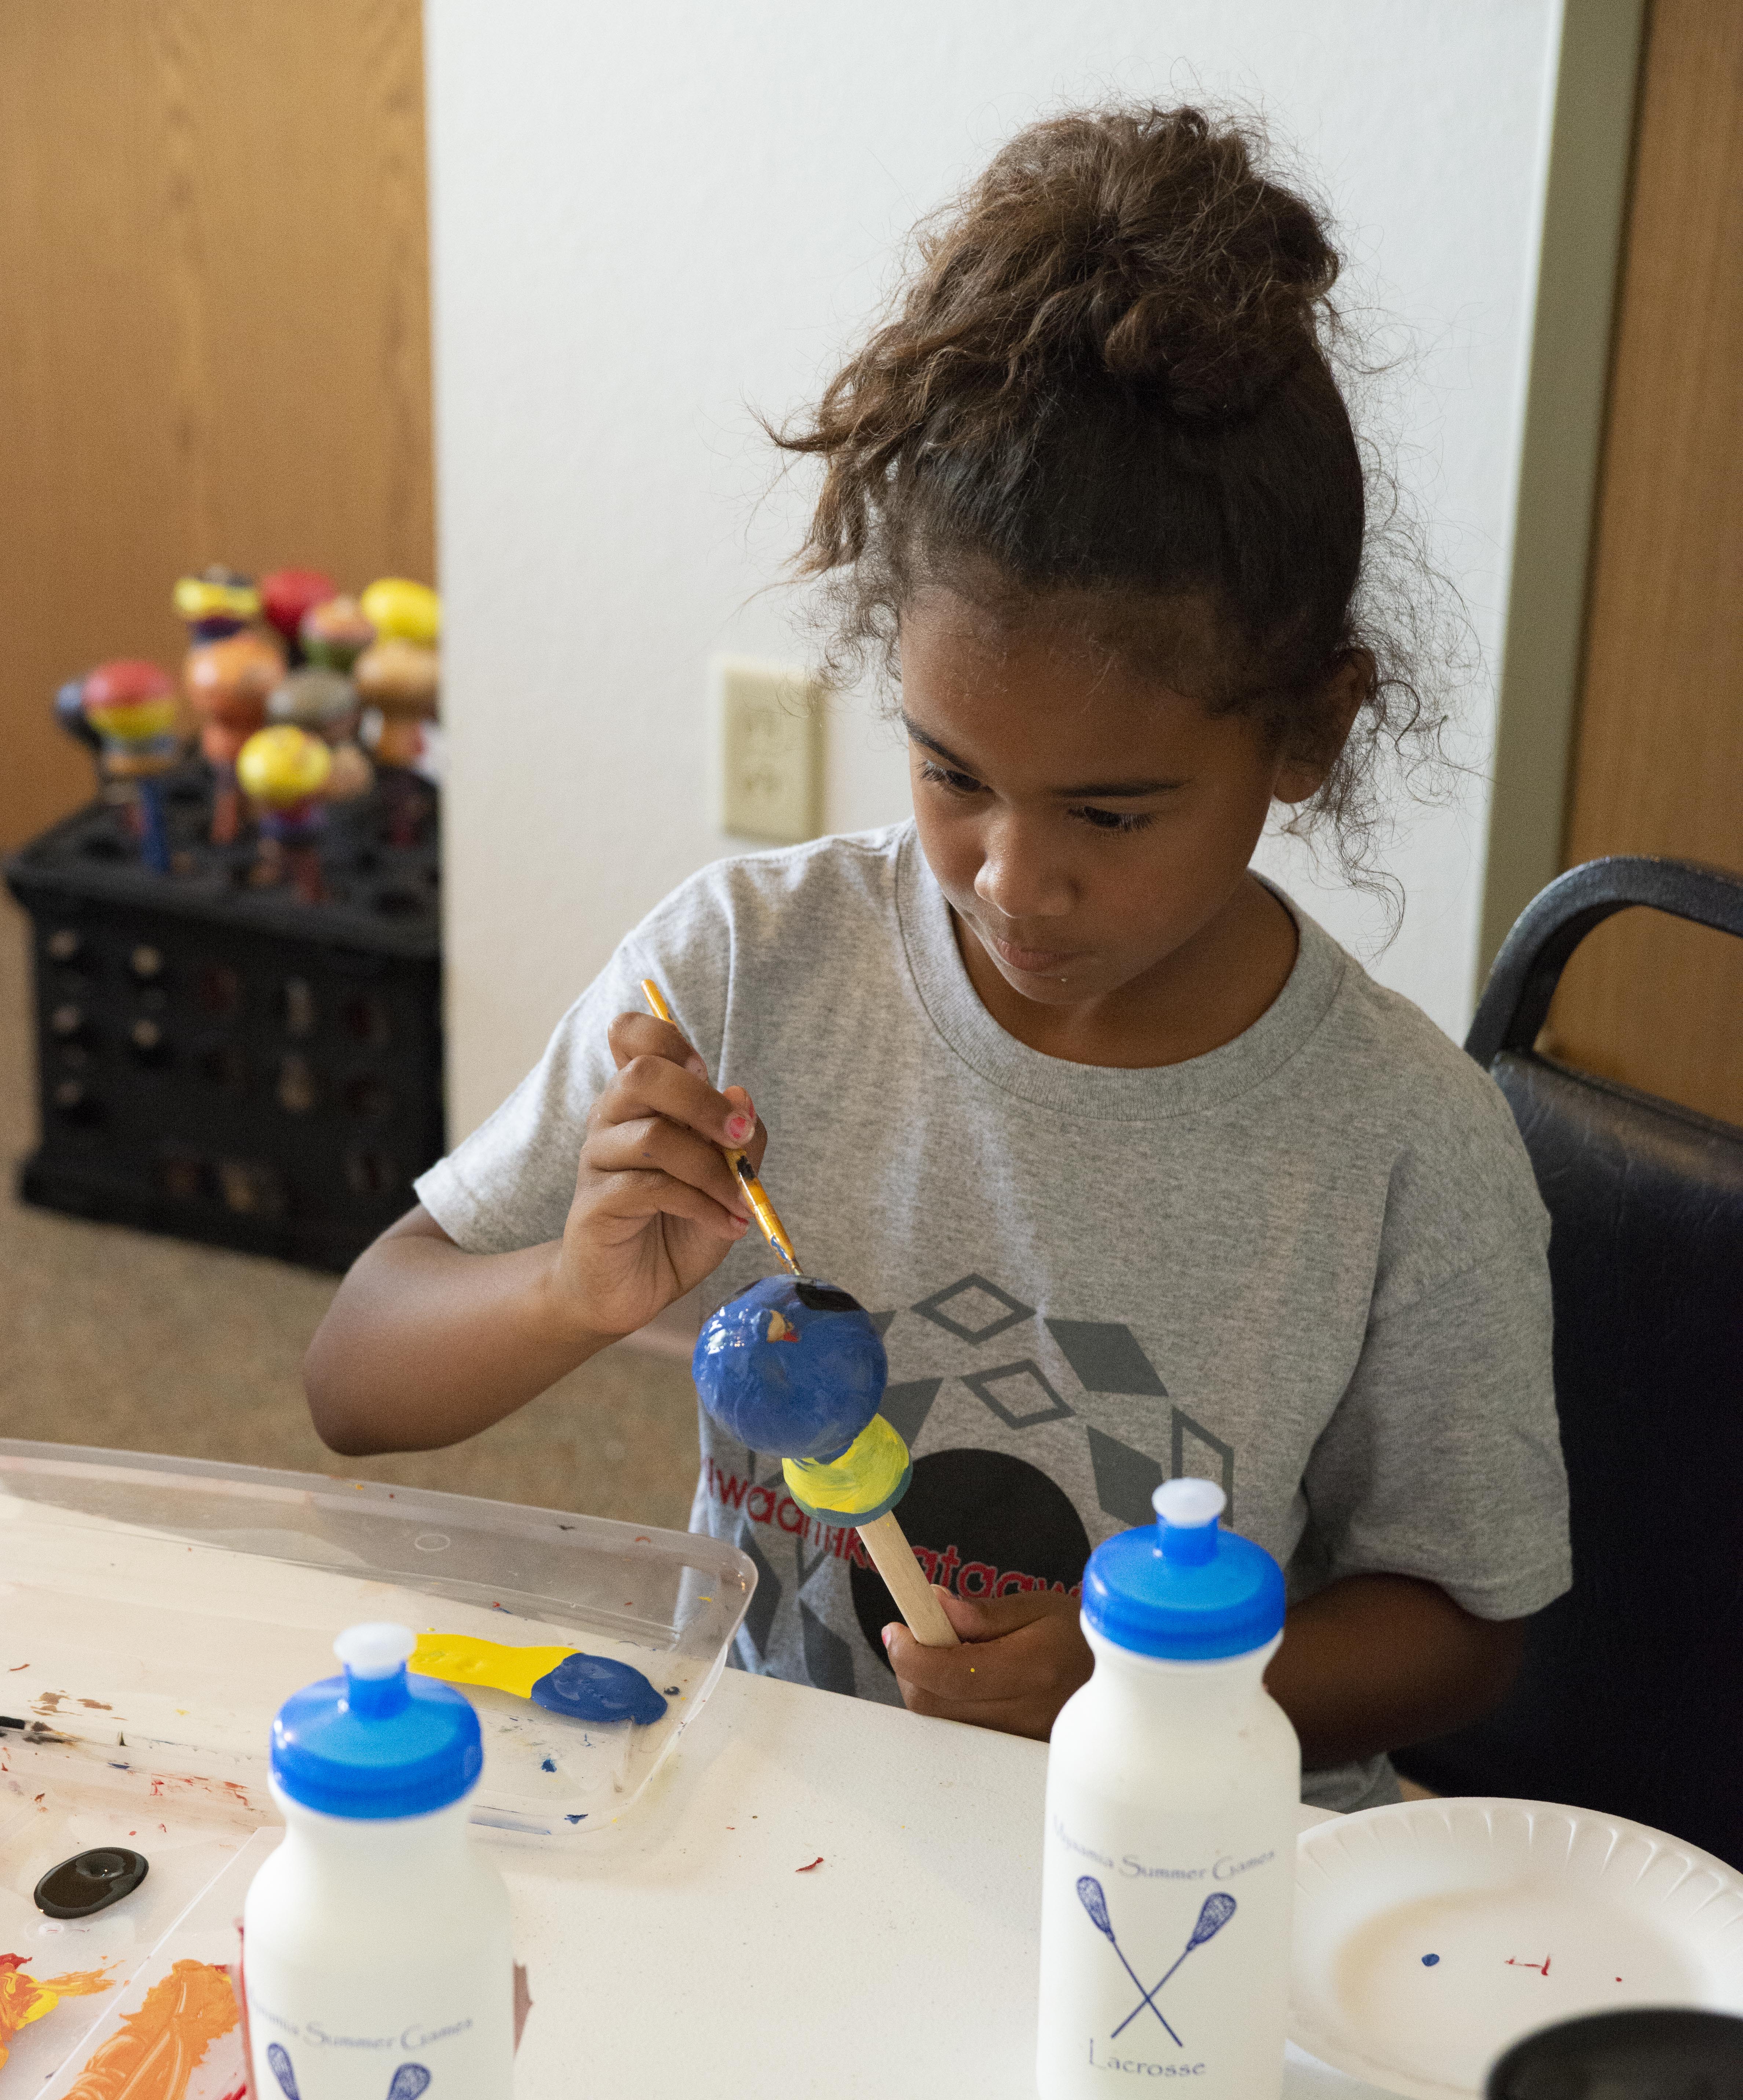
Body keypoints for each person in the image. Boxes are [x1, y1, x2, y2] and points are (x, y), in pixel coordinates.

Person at [305, 105, 1570, 1809]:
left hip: (1160, 1862)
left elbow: (1462, 1627)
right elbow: (353, 1382)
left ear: (1310, 731)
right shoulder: (745, 969)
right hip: (787, 1818)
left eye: (1112, 815)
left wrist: (1142, 1682)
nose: (1009, 879)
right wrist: (569, 1290)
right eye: (949, 773)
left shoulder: (1405, 1141)